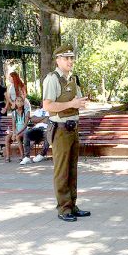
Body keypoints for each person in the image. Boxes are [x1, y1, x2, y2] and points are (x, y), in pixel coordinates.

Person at [42, 44, 89, 222]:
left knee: (72, 169)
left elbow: (76, 101)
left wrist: (80, 103)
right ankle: (64, 208)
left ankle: (72, 204)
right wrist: (71, 104)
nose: (70, 61)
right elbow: (47, 106)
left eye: (72, 58)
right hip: (60, 130)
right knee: (62, 171)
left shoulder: (72, 79)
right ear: (58, 60)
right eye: (66, 58)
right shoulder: (52, 79)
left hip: (73, 128)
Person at [5, 96, 29, 163]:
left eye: (21, 101)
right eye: (18, 101)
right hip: (17, 131)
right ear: (15, 102)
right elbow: (14, 125)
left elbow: (25, 125)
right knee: (7, 137)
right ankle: (8, 157)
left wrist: (17, 134)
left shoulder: (27, 111)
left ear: (23, 103)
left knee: (18, 137)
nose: (19, 102)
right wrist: (14, 133)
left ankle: (22, 156)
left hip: (24, 131)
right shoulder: (14, 113)